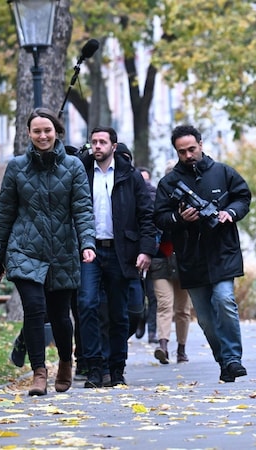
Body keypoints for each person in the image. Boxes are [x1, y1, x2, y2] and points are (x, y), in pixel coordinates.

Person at [0, 108, 96, 396]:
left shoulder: (74, 166)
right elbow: (5, 213)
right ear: (29, 134)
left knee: (61, 316)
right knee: (35, 310)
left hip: (63, 249)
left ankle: (65, 361)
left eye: (47, 130)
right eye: (37, 131)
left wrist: (87, 243)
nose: (42, 135)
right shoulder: (16, 167)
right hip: (24, 248)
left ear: (56, 131)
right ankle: (39, 372)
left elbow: (83, 210)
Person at [154, 124, 252, 383]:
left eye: (191, 149)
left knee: (223, 301)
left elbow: (243, 197)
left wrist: (229, 213)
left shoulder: (223, 172)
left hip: (222, 251)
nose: (188, 155)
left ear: (200, 144)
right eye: (182, 151)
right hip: (190, 258)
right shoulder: (169, 183)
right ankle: (224, 361)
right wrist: (179, 218)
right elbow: (159, 217)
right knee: (206, 320)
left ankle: (233, 358)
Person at [77, 128, 156, 388]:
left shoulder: (130, 177)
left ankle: (117, 368)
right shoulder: (81, 172)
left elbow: (146, 215)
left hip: (121, 251)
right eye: (94, 142)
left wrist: (145, 250)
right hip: (89, 250)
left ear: (114, 145)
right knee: (87, 305)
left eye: (102, 142)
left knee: (119, 313)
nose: (97, 146)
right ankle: (93, 367)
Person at [151, 162, 193, 365]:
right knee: (164, 304)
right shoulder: (159, 201)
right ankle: (163, 346)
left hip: (185, 259)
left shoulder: (193, 200)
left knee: (183, 309)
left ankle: (182, 349)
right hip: (162, 258)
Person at [135, 166, 159, 344]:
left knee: (152, 294)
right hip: (134, 252)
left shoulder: (155, 195)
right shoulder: (131, 195)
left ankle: (151, 330)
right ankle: (141, 319)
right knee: (140, 293)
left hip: (154, 251)